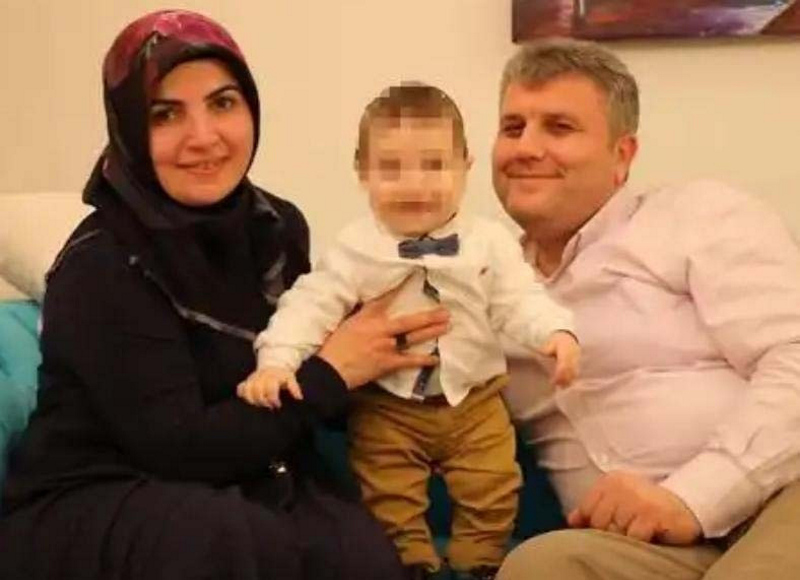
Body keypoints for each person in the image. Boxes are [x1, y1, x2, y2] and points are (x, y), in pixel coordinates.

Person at [0, 10, 452, 580]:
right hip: (98, 495)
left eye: (223, 103)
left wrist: (395, 355)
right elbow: (177, 446)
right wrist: (333, 370)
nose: (204, 137)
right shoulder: (101, 265)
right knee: (226, 540)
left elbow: (308, 392)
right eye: (166, 114)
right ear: (130, 127)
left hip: (246, 476)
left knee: (356, 550)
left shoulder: (276, 228)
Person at [236, 83, 580, 580]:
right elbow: (309, 306)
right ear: (363, 173)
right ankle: (412, 564)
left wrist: (555, 332)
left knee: (494, 485)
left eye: (434, 166)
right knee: (387, 492)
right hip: (388, 404)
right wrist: (276, 361)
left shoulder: (488, 242)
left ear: (465, 167)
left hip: (474, 399)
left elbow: (519, 298)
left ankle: (479, 562)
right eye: (392, 169)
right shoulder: (355, 248)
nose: (415, 185)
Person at [492, 39, 800, 579]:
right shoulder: (485, 290)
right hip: (654, 548)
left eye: (559, 128)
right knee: (540, 567)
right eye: (513, 127)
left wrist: (692, 498)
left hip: (781, 496)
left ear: (622, 156)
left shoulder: (696, 216)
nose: (526, 147)